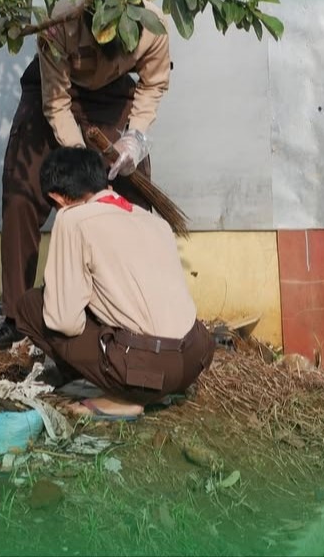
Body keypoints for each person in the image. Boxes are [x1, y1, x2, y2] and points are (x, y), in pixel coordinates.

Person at [0, 0, 171, 353]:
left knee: (133, 196)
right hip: (55, 91)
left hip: (114, 98)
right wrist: (82, 160)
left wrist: (136, 137)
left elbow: (154, 83)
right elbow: (56, 104)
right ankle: (17, 317)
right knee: (21, 192)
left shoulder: (155, 25)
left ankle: (127, 313)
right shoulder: (58, 23)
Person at [14, 146, 212, 420]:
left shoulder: (72, 219)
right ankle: (141, 387)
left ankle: (119, 396)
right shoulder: (151, 220)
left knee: (32, 306)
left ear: (56, 197)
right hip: (194, 359)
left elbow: (63, 321)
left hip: (148, 372)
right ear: (104, 182)